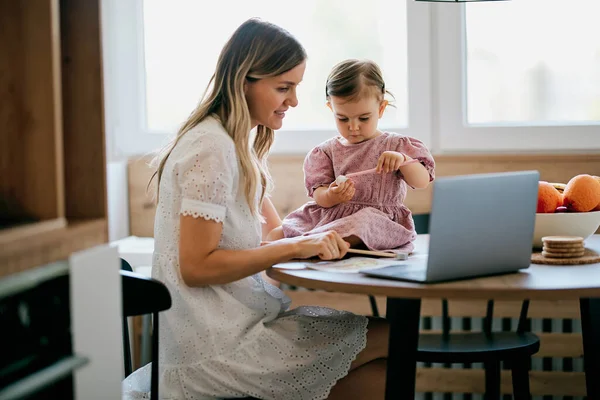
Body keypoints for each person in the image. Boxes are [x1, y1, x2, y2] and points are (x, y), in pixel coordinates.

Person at [122, 19, 389, 400]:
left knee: (384, 370)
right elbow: (196, 268)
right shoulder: (210, 148)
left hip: (238, 328)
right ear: (244, 81)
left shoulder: (236, 146)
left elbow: (276, 235)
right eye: (284, 88)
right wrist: (297, 247)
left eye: (295, 87)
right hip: (214, 349)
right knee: (390, 346)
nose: (294, 101)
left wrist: (339, 223)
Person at [269, 59, 435, 254]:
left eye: (364, 118)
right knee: (276, 234)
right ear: (331, 108)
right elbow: (319, 195)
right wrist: (331, 195)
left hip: (377, 222)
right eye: (343, 118)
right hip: (332, 219)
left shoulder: (397, 146)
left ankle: (320, 245)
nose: (353, 126)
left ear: (381, 109)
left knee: (364, 223)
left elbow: (422, 181)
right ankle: (315, 243)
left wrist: (403, 161)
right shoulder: (326, 152)